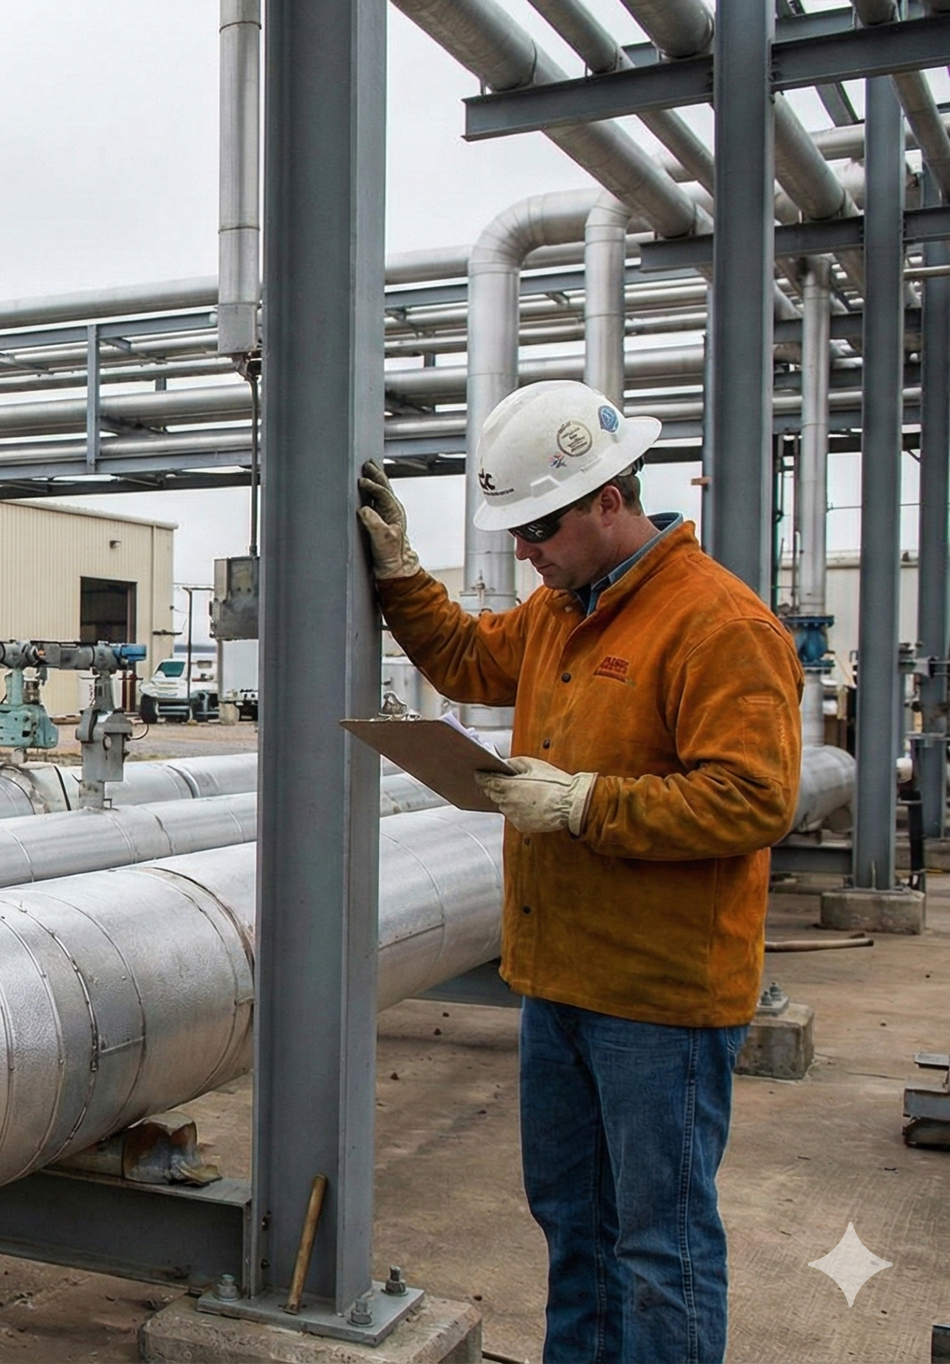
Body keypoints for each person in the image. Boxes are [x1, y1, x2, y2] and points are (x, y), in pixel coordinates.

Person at [357, 379, 801, 1364]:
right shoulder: (565, 608)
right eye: (514, 530)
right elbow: (470, 658)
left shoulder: (717, 625)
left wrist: (584, 801)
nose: (526, 550)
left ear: (610, 498)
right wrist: (397, 574)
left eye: (540, 525)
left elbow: (753, 797)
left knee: (659, 1247)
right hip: (559, 976)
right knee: (573, 1224)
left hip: (660, 996)